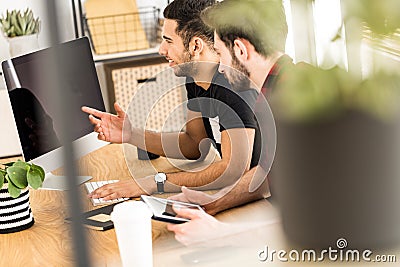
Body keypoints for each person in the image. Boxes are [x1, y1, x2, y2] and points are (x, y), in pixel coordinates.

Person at [81, 0, 261, 200]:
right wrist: (130, 134)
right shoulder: (195, 77)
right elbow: (194, 143)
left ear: (195, 45)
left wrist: (154, 182)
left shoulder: (232, 84)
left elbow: (234, 169)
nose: (161, 50)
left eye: (168, 40)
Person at [167, 0, 295, 244]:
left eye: (220, 53)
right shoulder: (275, 91)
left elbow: (311, 218)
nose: (221, 67)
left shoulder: (290, 105)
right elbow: (266, 175)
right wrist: (213, 203)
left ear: (240, 49)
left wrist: (223, 234)